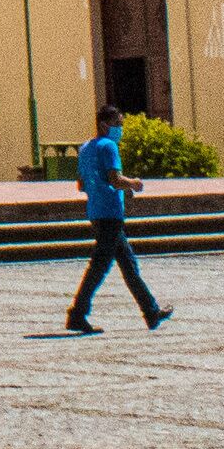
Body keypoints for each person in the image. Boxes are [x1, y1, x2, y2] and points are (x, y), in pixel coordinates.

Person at [66, 106, 170, 335]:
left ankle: (151, 312)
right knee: (100, 266)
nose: (120, 129)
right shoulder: (109, 146)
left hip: (96, 211)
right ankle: (76, 314)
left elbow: (81, 184)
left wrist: (108, 189)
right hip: (111, 213)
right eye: (117, 124)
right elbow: (114, 179)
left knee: (128, 265)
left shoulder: (85, 148)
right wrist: (133, 183)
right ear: (104, 124)